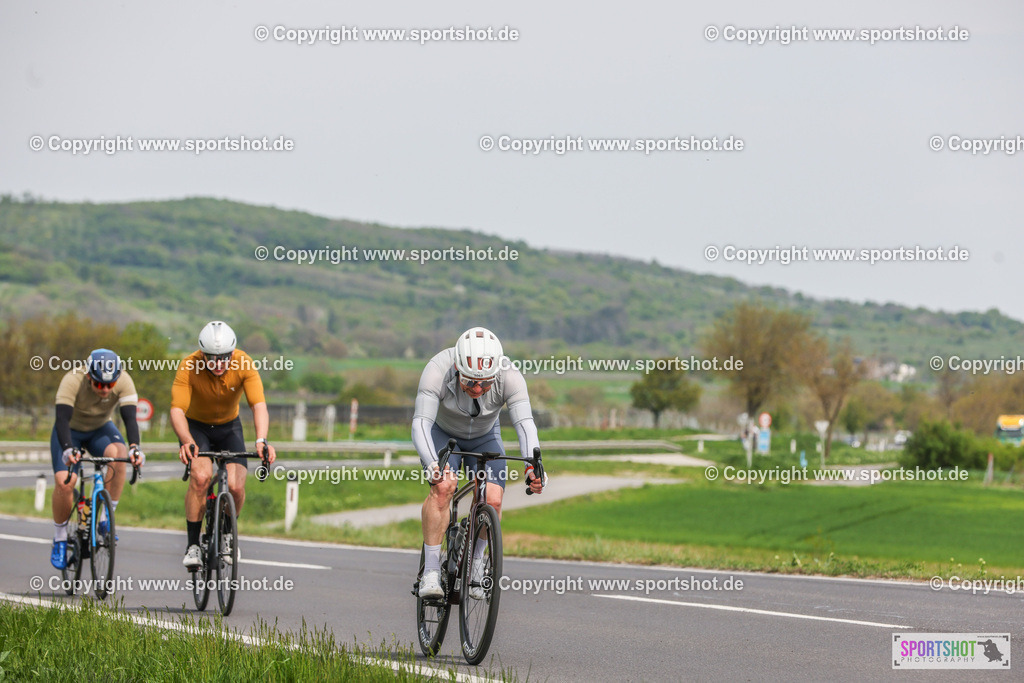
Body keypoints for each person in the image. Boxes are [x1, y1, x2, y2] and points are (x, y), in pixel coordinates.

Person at [414, 327, 545, 599]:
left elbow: (524, 424)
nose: (477, 389)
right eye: (470, 382)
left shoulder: (510, 375)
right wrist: (432, 464)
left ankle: (476, 563)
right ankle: (431, 571)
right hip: (444, 435)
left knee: (492, 499)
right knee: (443, 487)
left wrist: (533, 465)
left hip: (485, 437)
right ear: (457, 368)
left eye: (485, 384)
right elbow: (421, 423)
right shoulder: (437, 369)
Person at [171, 320, 276, 568]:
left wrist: (261, 440)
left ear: (232, 352)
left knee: (236, 487)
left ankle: (228, 534)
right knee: (201, 477)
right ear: (202, 354)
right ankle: (193, 545)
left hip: (229, 427)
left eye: (224, 358)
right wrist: (186, 440)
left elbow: (258, 405)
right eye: (212, 358)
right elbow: (177, 410)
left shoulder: (244, 362)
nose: (218, 364)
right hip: (196, 428)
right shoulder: (188, 365)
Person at [50, 349, 145, 569]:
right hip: (70, 431)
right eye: (99, 384)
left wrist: (135, 448)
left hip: (100, 429)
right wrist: (68, 449)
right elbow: (61, 419)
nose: (105, 389)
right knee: (65, 483)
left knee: (119, 454)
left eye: (110, 385)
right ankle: (60, 538)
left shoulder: (125, 380)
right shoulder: (72, 379)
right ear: (88, 376)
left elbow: (130, 419)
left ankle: (105, 519)